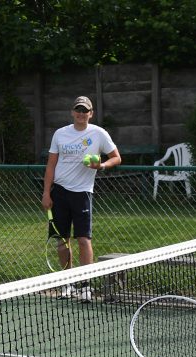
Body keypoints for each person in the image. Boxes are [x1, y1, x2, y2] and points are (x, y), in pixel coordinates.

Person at [42, 95, 121, 302]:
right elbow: (51, 165)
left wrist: (101, 165)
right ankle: (68, 283)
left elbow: (116, 157)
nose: (81, 113)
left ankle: (85, 286)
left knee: (84, 240)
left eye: (85, 110)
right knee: (62, 240)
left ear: (91, 114)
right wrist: (46, 193)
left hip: (83, 193)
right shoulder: (60, 134)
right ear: (72, 112)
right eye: (78, 109)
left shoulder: (99, 133)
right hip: (59, 192)